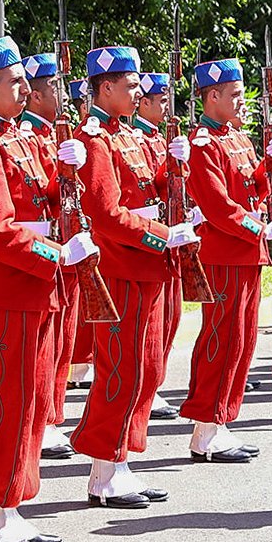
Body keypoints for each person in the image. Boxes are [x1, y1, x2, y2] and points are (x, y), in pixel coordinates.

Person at [0, 36, 96, 542]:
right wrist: (57, 255)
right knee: (3, 402)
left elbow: (48, 202)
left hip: (37, 284)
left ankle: (11, 505)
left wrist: (68, 175)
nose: (26, 88)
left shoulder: (23, 138)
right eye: (14, 81)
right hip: (8, 286)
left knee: (33, 400)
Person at [66, 46, 196, 506]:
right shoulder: (95, 139)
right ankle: (104, 468)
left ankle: (120, 459)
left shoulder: (126, 135)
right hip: (122, 265)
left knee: (147, 366)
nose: (139, 90)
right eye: (130, 83)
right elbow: (106, 214)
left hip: (146, 264)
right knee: (121, 369)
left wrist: (173, 168)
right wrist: (164, 236)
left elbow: (147, 189)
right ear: (105, 87)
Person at [180, 58, 272, 461]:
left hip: (244, 251)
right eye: (236, 96)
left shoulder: (237, 138)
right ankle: (205, 426)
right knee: (221, 337)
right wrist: (259, 229)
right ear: (213, 96)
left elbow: (250, 188)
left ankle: (221, 419)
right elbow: (219, 206)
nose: (243, 103)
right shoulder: (203, 143)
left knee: (242, 338)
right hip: (223, 251)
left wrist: (270, 165)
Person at [17, 52, 77, 461]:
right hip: (34, 256)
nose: (63, 94)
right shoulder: (23, 136)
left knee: (61, 342)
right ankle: (44, 418)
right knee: (36, 358)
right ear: (37, 96)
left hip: (57, 250)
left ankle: (50, 416)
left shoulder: (49, 135)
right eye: (54, 87)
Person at [132, 72, 184, 422]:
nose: (166, 106)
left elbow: (156, 186)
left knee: (169, 321)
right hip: (138, 246)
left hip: (163, 240)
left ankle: (153, 386)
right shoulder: (131, 137)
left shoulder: (146, 138)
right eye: (160, 99)